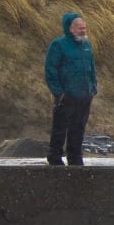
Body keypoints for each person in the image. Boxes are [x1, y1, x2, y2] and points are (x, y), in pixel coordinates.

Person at [44, 11, 97, 166]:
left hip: (84, 95)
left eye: (84, 27)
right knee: (60, 128)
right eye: (80, 28)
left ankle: (74, 157)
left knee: (78, 128)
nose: (83, 30)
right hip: (66, 95)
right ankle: (54, 156)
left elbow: (91, 68)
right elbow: (50, 70)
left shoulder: (86, 45)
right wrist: (58, 93)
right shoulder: (59, 45)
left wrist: (93, 87)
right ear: (70, 28)